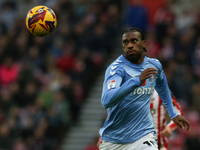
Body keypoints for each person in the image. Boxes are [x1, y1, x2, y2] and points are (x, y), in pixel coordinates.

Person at [98, 27, 189, 150]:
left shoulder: (154, 65)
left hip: (143, 136)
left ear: (143, 43)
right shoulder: (116, 69)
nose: (130, 45)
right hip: (115, 140)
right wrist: (136, 81)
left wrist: (173, 114)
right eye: (126, 42)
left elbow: (162, 86)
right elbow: (106, 100)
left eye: (134, 41)